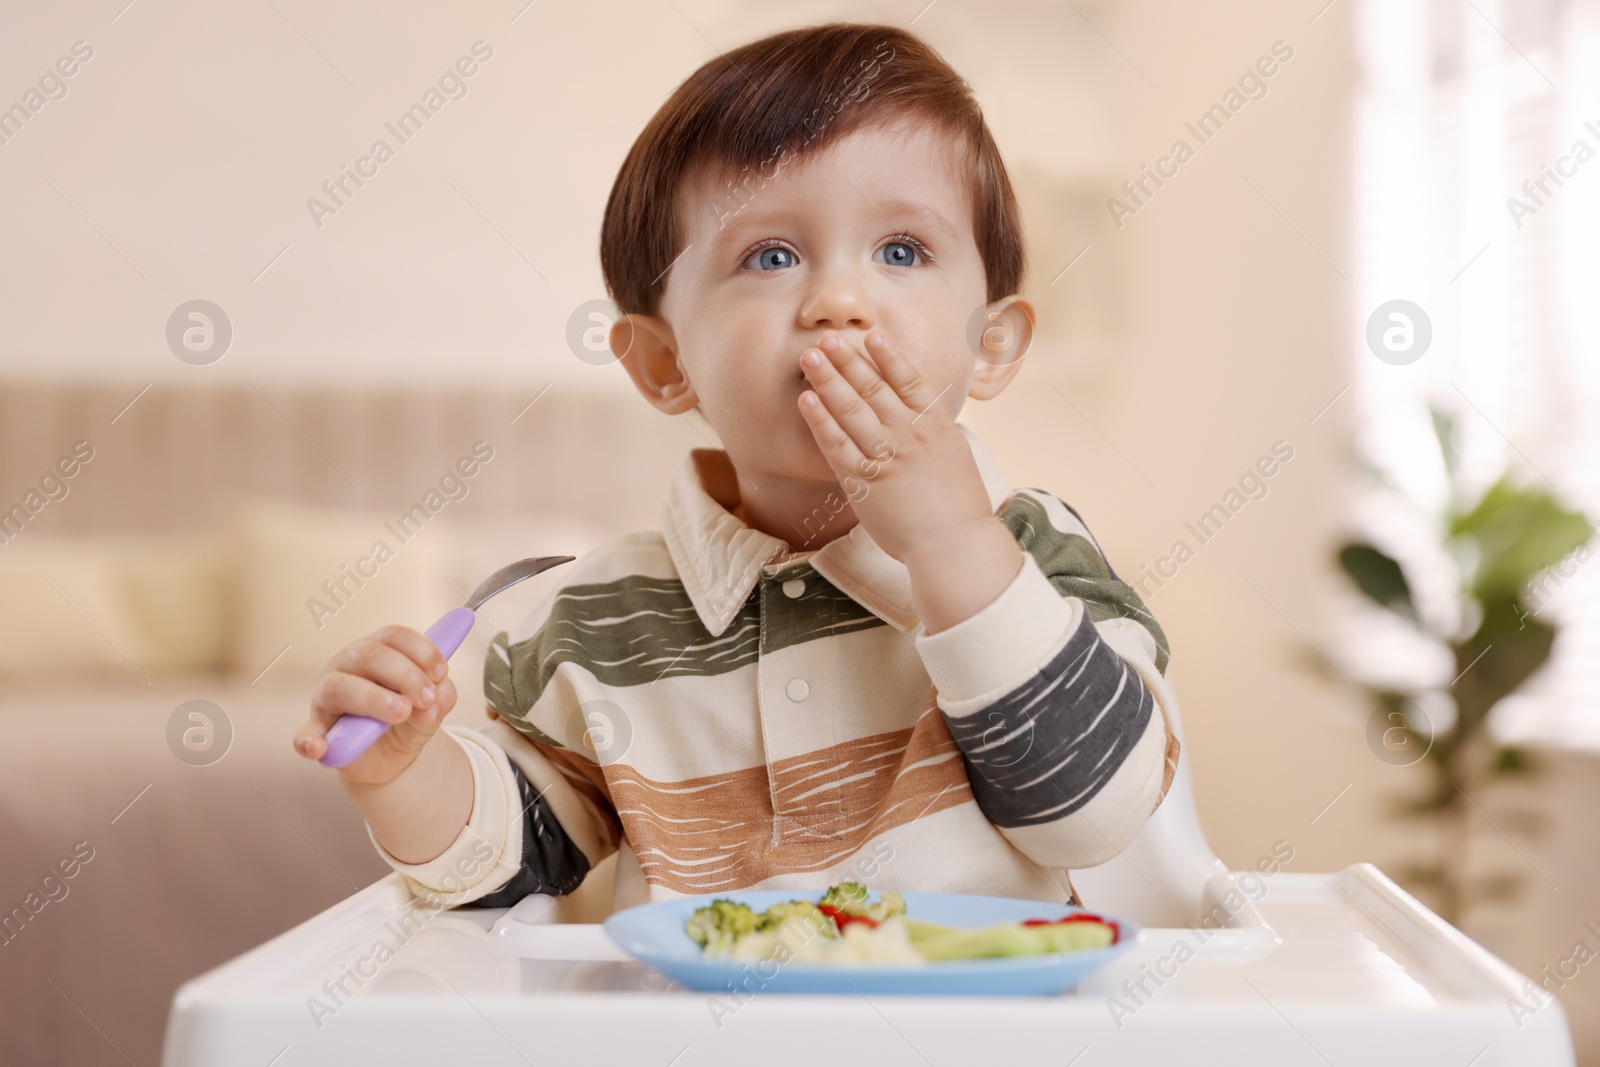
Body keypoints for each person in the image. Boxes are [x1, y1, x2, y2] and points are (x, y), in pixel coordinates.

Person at [293, 21, 1181, 913]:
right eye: (771, 256)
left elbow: (1096, 820)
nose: (839, 302)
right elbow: (512, 869)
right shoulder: (597, 622)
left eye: (902, 250)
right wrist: (402, 774)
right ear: (664, 364)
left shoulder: (1034, 552)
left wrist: (952, 540)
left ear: (989, 345)